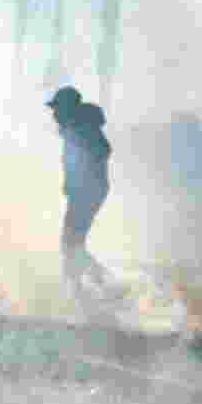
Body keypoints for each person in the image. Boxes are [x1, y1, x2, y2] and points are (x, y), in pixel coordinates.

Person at [46, 86, 122, 309]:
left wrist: (81, 177)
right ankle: (93, 284)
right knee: (72, 242)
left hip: (88, 191)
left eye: (57, 108)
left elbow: (103, 150)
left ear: (67, 108)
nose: (54, 114)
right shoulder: (76, 127)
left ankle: (92, 286)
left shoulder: (81, 128)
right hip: (87, 190)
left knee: (71, 242)